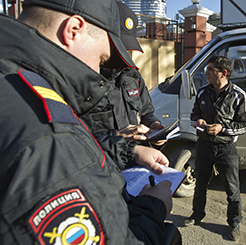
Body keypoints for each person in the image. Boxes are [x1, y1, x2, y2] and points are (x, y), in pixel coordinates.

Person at [0, 0, 176, 244]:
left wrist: (129, 150)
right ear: (73, 30)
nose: (98, 69)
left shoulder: (13, 79)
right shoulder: (51, 134)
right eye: (103, 58)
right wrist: (153, 211)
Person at [80, 1, 167, 173]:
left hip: (134, 167)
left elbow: (145, 112)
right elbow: (74, 143)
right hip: (101, 172)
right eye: (119, 46)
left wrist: (154, 127)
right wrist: (117, 136)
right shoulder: (81, 81)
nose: (124, 54)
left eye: (128, 48)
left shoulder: (132, 76)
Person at [183, 56, 246, 241]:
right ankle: (197, 215)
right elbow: (193, 116)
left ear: (223, 73)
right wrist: (198, 121)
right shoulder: (202, 92)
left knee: (232, 190)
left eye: (210, 70)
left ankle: (234, 224)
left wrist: (223, 128)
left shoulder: (238, 95)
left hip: (226, 149)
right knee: (200, 185)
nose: (206, 73)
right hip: (204, 146)